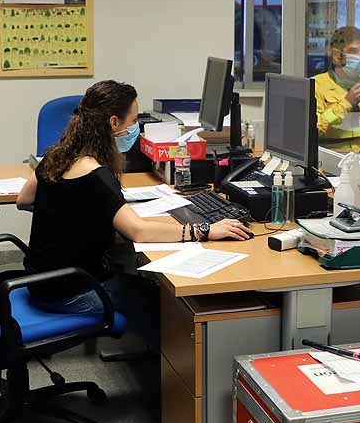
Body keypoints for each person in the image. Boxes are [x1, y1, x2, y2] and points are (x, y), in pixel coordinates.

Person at [17, 80, 251, 314]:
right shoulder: (96, 175)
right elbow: (139, 231)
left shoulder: (58, 155)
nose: (136, 128)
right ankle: (159, 348)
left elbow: (24, 200)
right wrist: (205, 230)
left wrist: (71, 211)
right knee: (165, 302)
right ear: (114, 123)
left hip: (39, 283)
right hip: (71, 293)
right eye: (133, 121)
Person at [313, 26, 360, 142]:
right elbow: (314, 128)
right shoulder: (316, 85)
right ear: (336, 55)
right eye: (353, 51)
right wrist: (346, 103)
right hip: (330, 152)